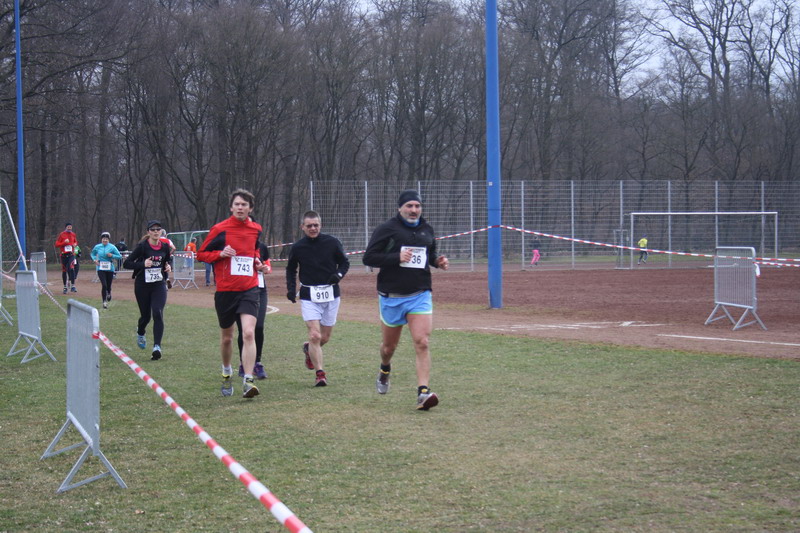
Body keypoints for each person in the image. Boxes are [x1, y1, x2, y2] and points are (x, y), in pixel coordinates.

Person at [362, 190, 449, 410]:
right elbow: (369, 257)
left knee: (422, 341)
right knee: (388, 348)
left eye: (417, 206)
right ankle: (384, 368)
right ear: (400, 208)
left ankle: (423, 393)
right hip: (392, 296)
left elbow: (428, 255)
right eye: (409, 206)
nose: (413, 210)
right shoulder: (387, 229)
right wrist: (396, 257)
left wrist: (437, 262)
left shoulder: (427, 229)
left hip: (420, 294)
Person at [197, 189, 270, 399]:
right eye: (237, 204)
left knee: (249, 333)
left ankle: (248, 380)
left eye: (244, 205)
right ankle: (226, 371)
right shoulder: (220, 229)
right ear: (231, 207)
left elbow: (255, 252)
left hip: (249, 289)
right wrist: (220, 254)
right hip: (226, 291)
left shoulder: (256, 229)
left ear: (250, 209)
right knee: (227, 338)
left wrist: (259, 263)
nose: (240, 207)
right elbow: (201, 254)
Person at [286, 211, 350, 387]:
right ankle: (320, 374)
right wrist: (291, 289)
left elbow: (344, 263)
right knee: (315, 335)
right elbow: (291, 269)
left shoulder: (332, 242)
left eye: (316, 225)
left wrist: (338, 275)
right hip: (309, 295)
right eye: (309, 226)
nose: (313, 228)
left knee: (325, 337)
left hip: (331, 294)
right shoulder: (298, 247)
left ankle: (309, 349)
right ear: (303, 227)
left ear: (320, 225)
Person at [123, 220, 172, 360]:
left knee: (157, 312)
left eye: (158, 229)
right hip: (142, 285)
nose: (156, 231)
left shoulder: (165, 247)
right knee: (146, 316)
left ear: (161, 231)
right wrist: (143, 264)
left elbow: (167, 261)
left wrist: (168, 267)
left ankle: (157, 347)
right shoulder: (142, 247)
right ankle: (140, 331)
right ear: (148, 232)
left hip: (158, 285)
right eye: (153, 229)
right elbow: (127, 263)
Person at [237, 239, 270, 380]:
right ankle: (243, 363)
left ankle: (257, 362)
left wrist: (264, 268)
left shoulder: (261, 247)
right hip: (241, 291)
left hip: (259, 289)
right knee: (244, 330)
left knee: (259, 327)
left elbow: (268, 267)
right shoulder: (234, 245)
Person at [90, 232, 122, 309]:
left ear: (108, 240)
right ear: (101, 239)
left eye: (106, 239)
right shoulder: (97, 247)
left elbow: (119, 256)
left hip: (109, 268)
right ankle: (104, 302)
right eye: (103, 239)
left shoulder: (112, 247)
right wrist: (95, 260)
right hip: (100, 267)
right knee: (104, 285)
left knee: (108, 285)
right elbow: (92, 254)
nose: (105, 240)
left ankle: (109, 292)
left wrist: (112, 255)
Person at [55, 222, 79, 294]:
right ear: (65, 227)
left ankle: (73, 286)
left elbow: (75, 242)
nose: (69, 228)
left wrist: (75, 244)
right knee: (64, 270)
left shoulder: (73, 234)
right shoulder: (62, 234)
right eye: (68, 227)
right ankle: (65, 287)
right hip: (63, 255)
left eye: (70, 227)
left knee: (71, 268)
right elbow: (56, 244)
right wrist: (64, 243)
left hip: (71, 254)